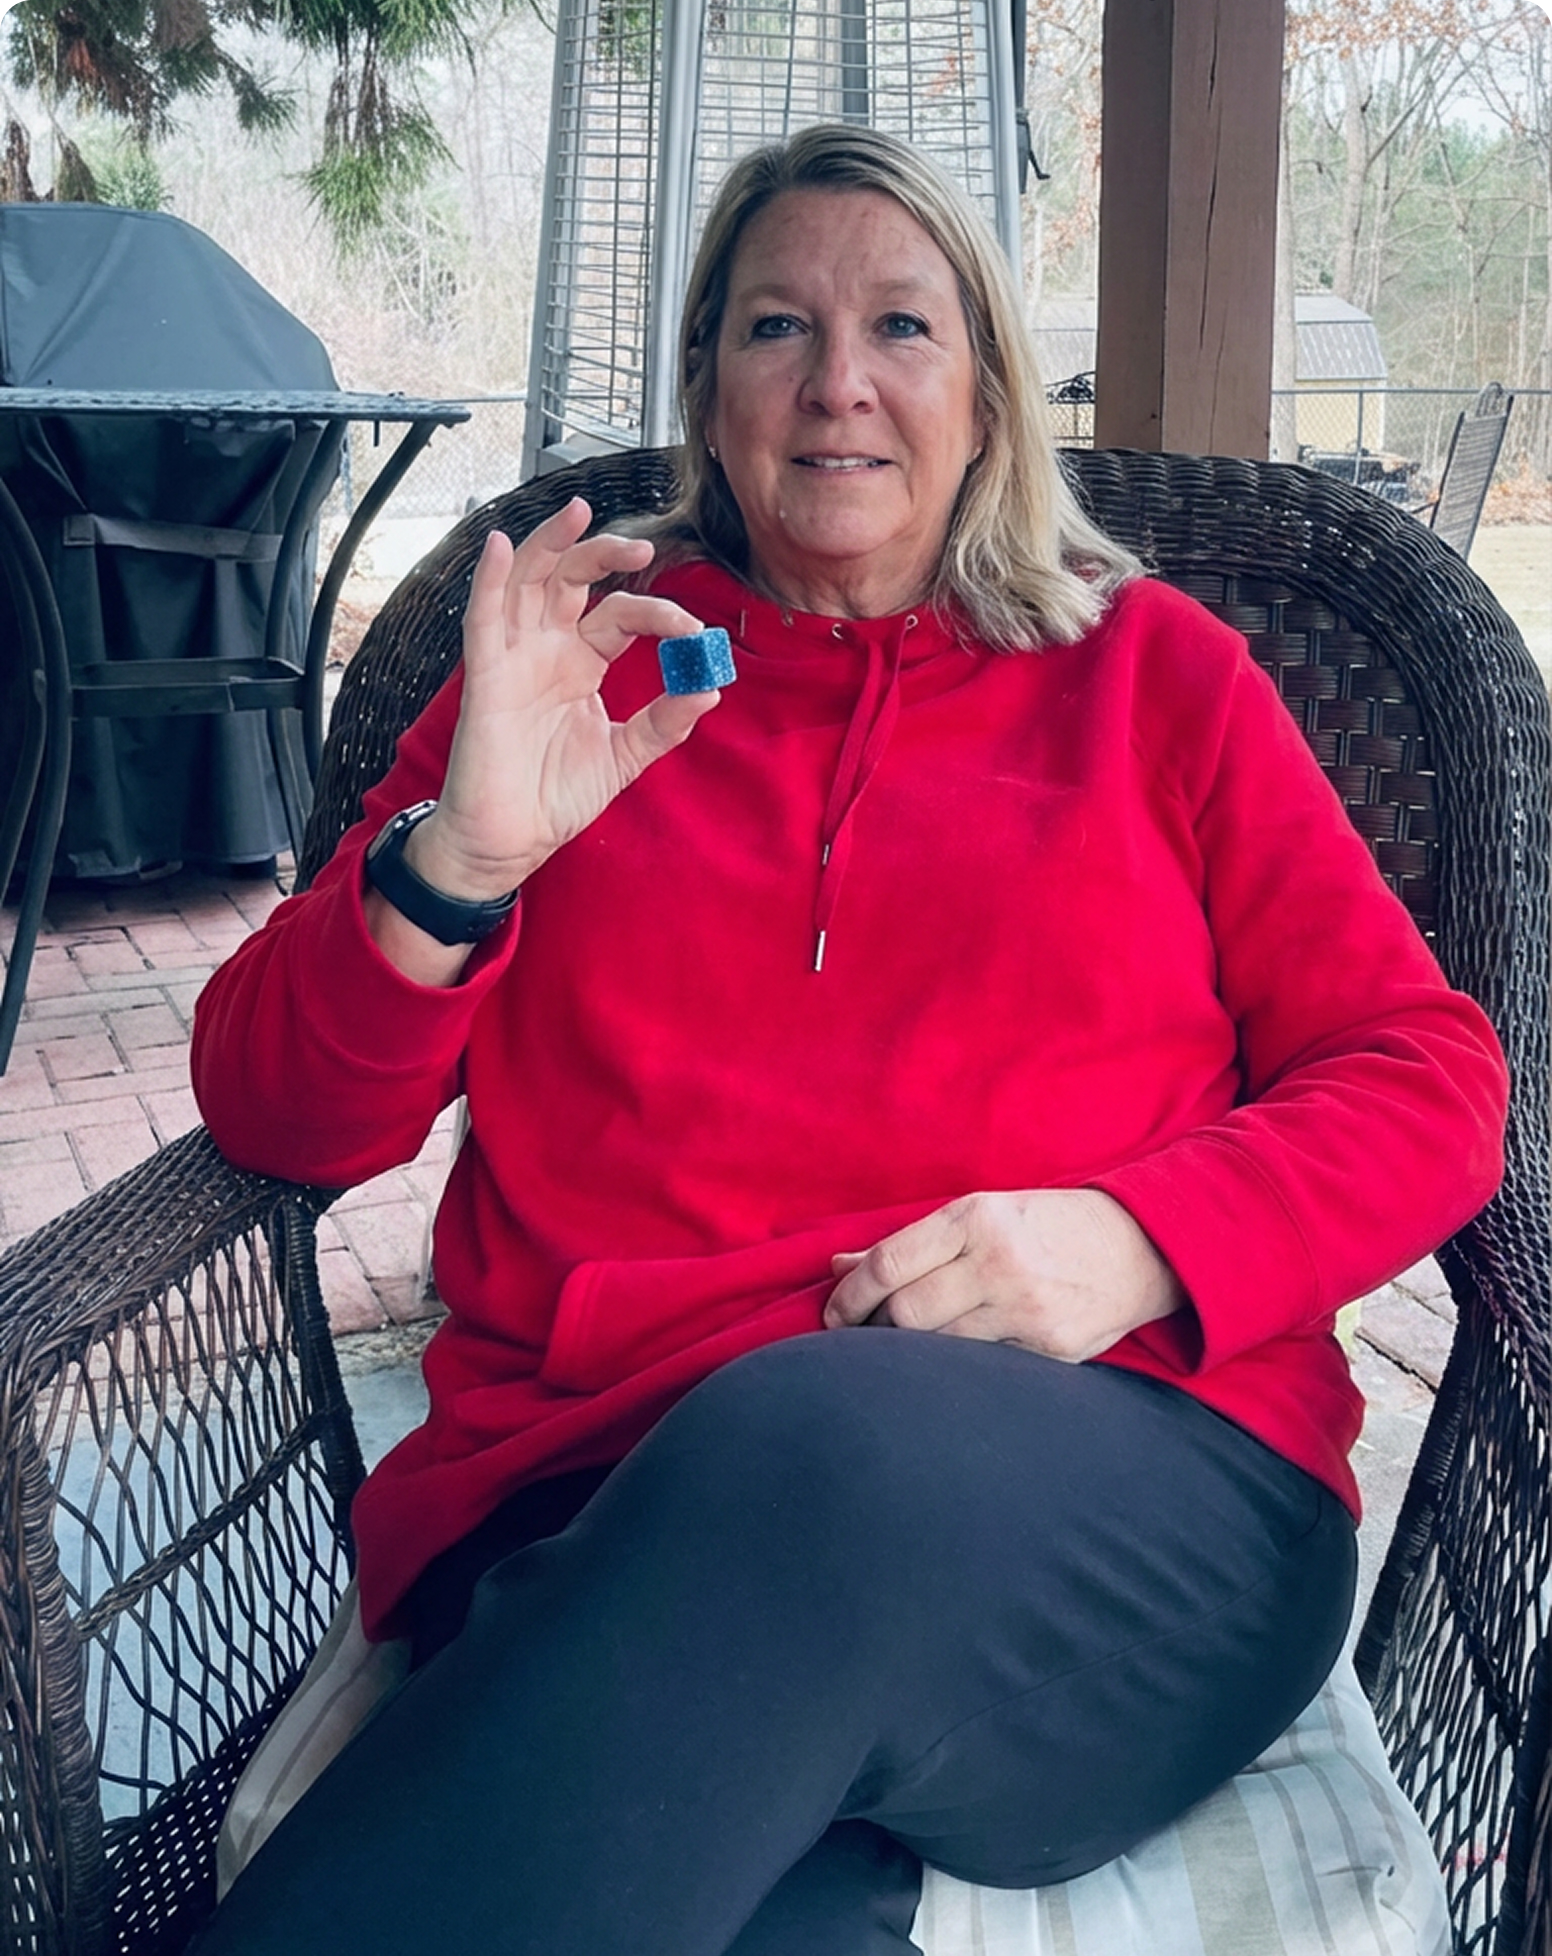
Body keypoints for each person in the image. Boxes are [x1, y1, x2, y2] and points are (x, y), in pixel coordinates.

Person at [189, 124, 1508, 1955]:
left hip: (1133, 1507)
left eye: (901, 325)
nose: (838, 384)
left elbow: (1429, 1083)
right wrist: (463, 858)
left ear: (982, 393)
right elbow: (275, 1111)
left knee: (805, 1448)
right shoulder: (583, 678)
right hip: (605, 1500)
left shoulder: (1158, 678)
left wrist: (1128, 1240)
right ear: (708, 399)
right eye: (771, 330)